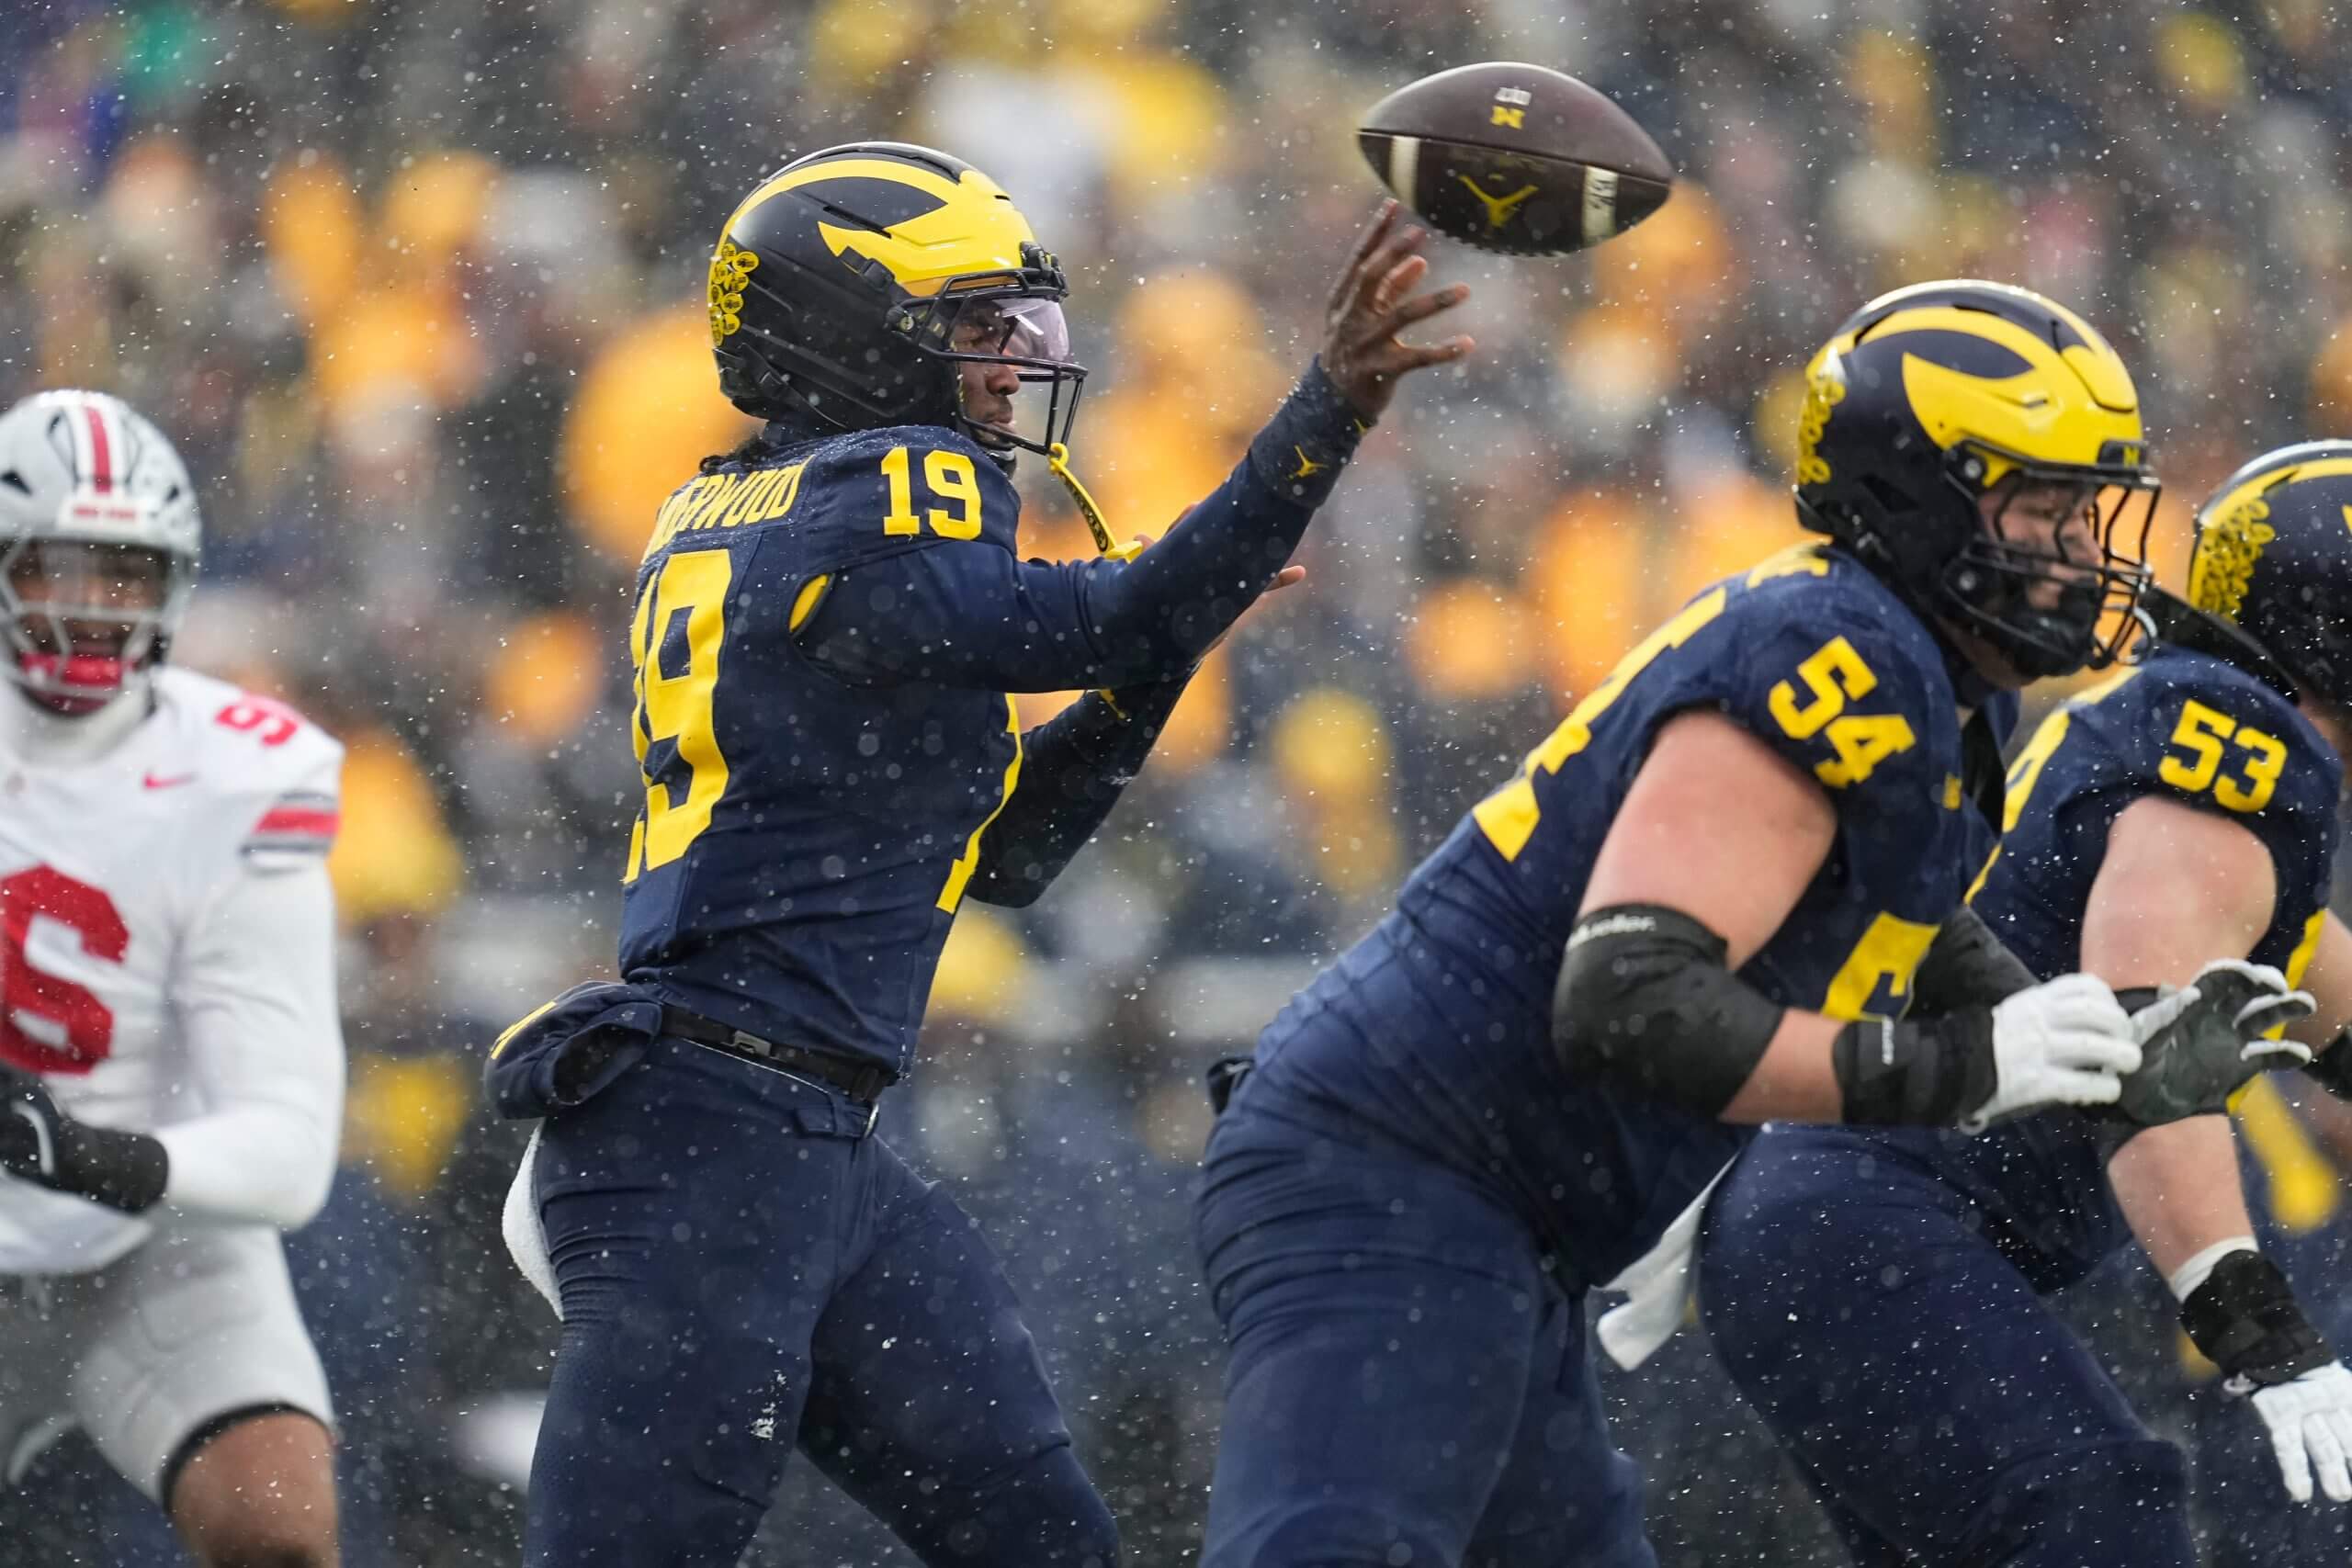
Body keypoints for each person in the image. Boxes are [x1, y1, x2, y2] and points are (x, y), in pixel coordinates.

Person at [1191, 279, 2301, 1568]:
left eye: (2081, 511)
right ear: (1914, 496)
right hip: (1396, 1176)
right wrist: (1962, 1068)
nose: (2076, 549)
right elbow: (1628, 997)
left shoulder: (1936, 683)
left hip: (1503, 1215)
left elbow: (1910, 929)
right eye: (2040, 508)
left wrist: (2105, 1050)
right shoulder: (1834, 651)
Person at [486, 141, 1471, 1568]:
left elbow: (1002, 850)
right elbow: (1115, 616)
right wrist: (1322, 416)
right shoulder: (878, 491)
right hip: (706, 1148)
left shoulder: (760, 508)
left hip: (796, 1133)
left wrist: (1165, 635)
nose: (1010, 363)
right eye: (970, 324)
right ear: (852, 334)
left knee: (1042, 1534)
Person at [1698, 442, 2352, 1567]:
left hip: (1833, 1223)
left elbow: (2318, 990)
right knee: (2104, 1521)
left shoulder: (2213, 760)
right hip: (1871, 1219)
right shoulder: (2238, 763)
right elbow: (2149, 1049)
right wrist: (2265, 1339)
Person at [0, 389, 347, 1566]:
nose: (93, 606)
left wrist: (78, 1154)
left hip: (147, 1244)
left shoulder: (242, 776)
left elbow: (288, 1150)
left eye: (126, 575)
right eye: (59, 569)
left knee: (277, 1529)